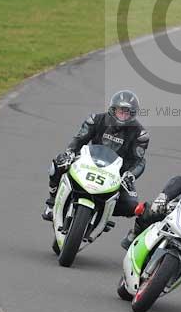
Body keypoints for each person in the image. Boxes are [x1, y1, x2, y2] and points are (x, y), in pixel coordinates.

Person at [42, 90, 149, 224]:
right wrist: (70, 153)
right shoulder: (95, 120)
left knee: (132, 206)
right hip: (88, 163)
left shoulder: (140, 134)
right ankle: (51, 204)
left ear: (133, 114)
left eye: (127, 112)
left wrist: (130, 175)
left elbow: (138, 161)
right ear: (112, 109)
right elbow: (78, 140)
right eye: (120, 111)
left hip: (117, 174)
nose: (123, 115)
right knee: (57, 164)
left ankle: (103, 213)